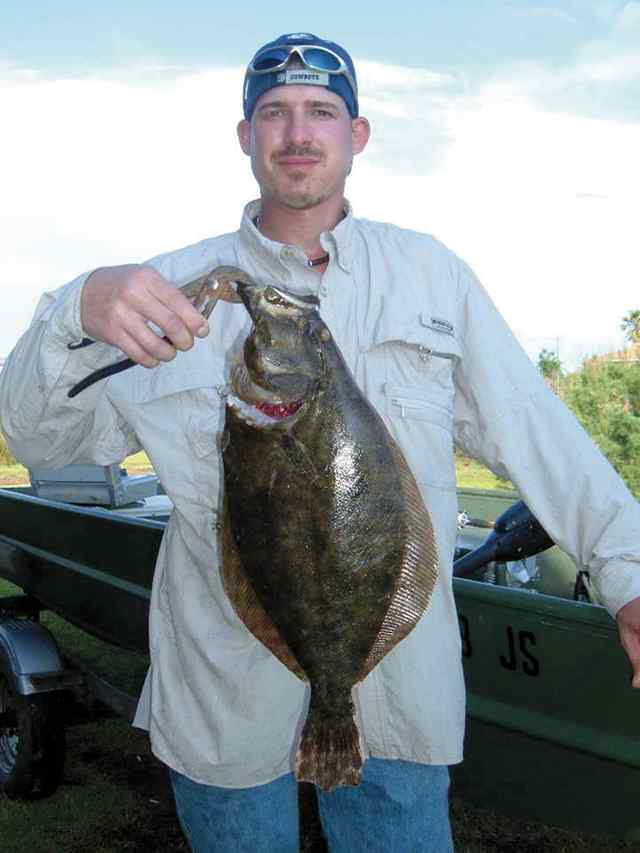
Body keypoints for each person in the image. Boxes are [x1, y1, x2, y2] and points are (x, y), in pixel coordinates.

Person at [2, 31, 640, 853]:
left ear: (356, 134)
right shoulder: (163, 291)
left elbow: (538, 431)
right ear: (245, 135)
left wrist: (627, 572)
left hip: (398, 689)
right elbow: (38, 435)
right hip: (225, 687)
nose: (297, 133)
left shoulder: (430, 276)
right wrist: (75, 309)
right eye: (273, 112)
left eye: (320, 112)